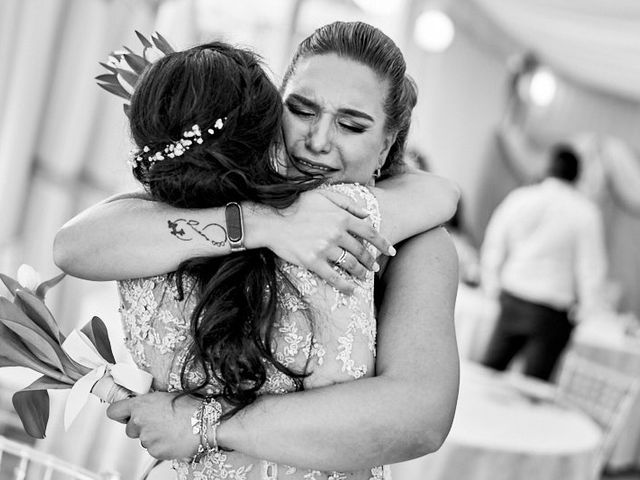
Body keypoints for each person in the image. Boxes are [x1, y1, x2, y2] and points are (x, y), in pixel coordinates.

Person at [54, 21, 459, 475]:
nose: (319, 140)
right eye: (302, 111)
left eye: (350, 125)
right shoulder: (221, 198)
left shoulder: (418, 243)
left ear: (386, 146)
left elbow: (421, 418)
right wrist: (264, 223)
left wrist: (207, 424)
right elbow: (74, 245)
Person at [480, 144, 608, 380]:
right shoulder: (585, 212)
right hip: (552, 313)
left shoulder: (521, 198)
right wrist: (586, 312)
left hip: (512, 299)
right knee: (533, 390)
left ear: (548, 167)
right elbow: (591, 268)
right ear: (577, 175)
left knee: (487, 375)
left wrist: (491, 286)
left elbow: (494, 243)